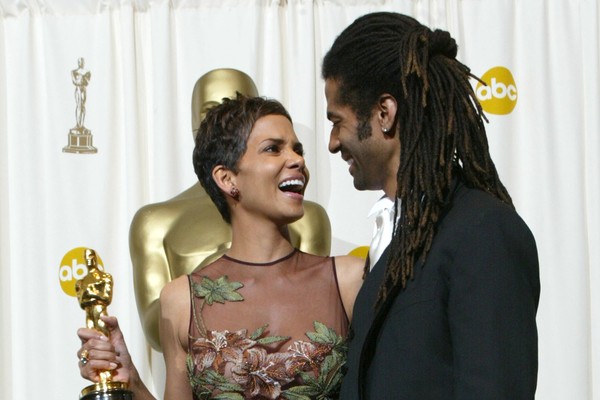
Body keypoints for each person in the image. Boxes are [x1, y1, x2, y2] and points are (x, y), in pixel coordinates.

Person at [77, 95, 365, 399]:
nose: (297, 160)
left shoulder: (348, 280)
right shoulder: (182, 301)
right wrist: (131, 380)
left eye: (297, 149)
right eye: (273, 149)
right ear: (227, 179)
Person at [321, 12, 540, 399]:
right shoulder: (397, 237)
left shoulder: (483, 232)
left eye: (337, 121)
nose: (333, 142)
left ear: (384, 115)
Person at [129, 68, 332, 352]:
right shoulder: (156, 221)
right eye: (213, 109)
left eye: (237, 104)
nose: (296, 159)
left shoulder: (309, 220)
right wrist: (218, 272)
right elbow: (158, 329)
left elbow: (319, 317)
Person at [72, 57, 91, 130]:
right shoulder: (74, 72)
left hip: (83, 88)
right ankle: (78, 124)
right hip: (78, 89)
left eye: (82, 62)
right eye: (80, 62)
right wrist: (81, 79)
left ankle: (82, 124)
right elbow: (74, 81)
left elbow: (87, 82)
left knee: (83, 106)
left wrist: (83, 78)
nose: (81, 63)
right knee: (78, 105)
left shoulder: (87, 72)